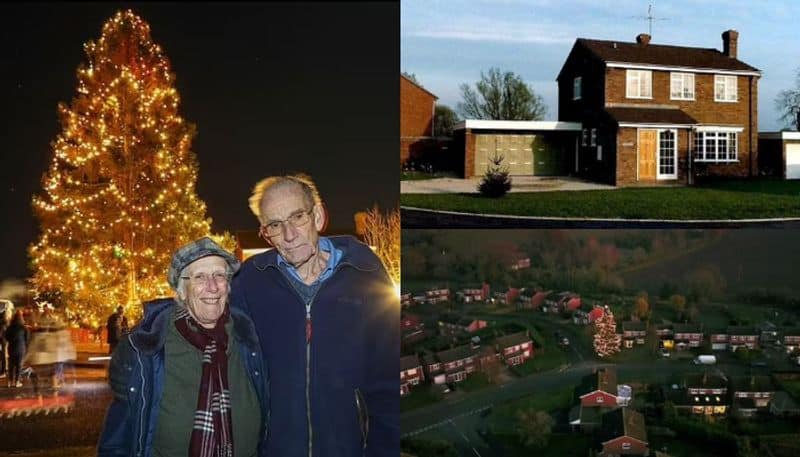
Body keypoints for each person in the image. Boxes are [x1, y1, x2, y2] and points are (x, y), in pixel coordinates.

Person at [231, 174, 399, 457]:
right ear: (265, 232)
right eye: (274, 225)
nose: (288, 235)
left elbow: (389, 377)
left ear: (318, 216)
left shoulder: (365, 273)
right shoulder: (249, 282)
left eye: (297, 217)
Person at [98, 237, 269, 457]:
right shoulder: (147, 351)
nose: (213, 286)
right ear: (181, 291)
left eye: (219, 275)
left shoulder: (250, 340)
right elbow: (117, 443)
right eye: (199, 277)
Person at [4, 311, 29, 388]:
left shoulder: (9, 328)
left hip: (11, 348)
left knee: (11, 365)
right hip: (20, 348)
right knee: (19, 365)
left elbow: (6, 337)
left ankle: (10, 382)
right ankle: (17, 381)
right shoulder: (24, 328)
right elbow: (27, 339)